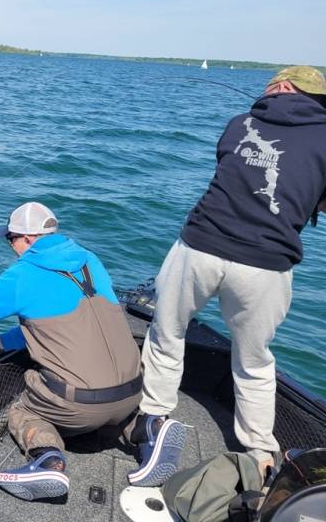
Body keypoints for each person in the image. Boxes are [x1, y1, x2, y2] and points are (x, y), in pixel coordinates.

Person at [0, 202, 179, 500]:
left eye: (11, 239)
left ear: (28, 239)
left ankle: (49, 461)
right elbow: (46, 325)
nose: (11, 247)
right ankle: (145, 427)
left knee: (23, 411)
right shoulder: (90, 259)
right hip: (133, 391)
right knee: (109, 407)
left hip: (79, 407)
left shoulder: (21, 276)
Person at [138, 65, 326, 475]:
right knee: (254, 362)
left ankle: (153, 421)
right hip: (267, 264)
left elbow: (231, 170)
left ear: (279, 87)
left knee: (167, 334)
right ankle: (260, 455)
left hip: (201, 245)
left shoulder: (240, 123)